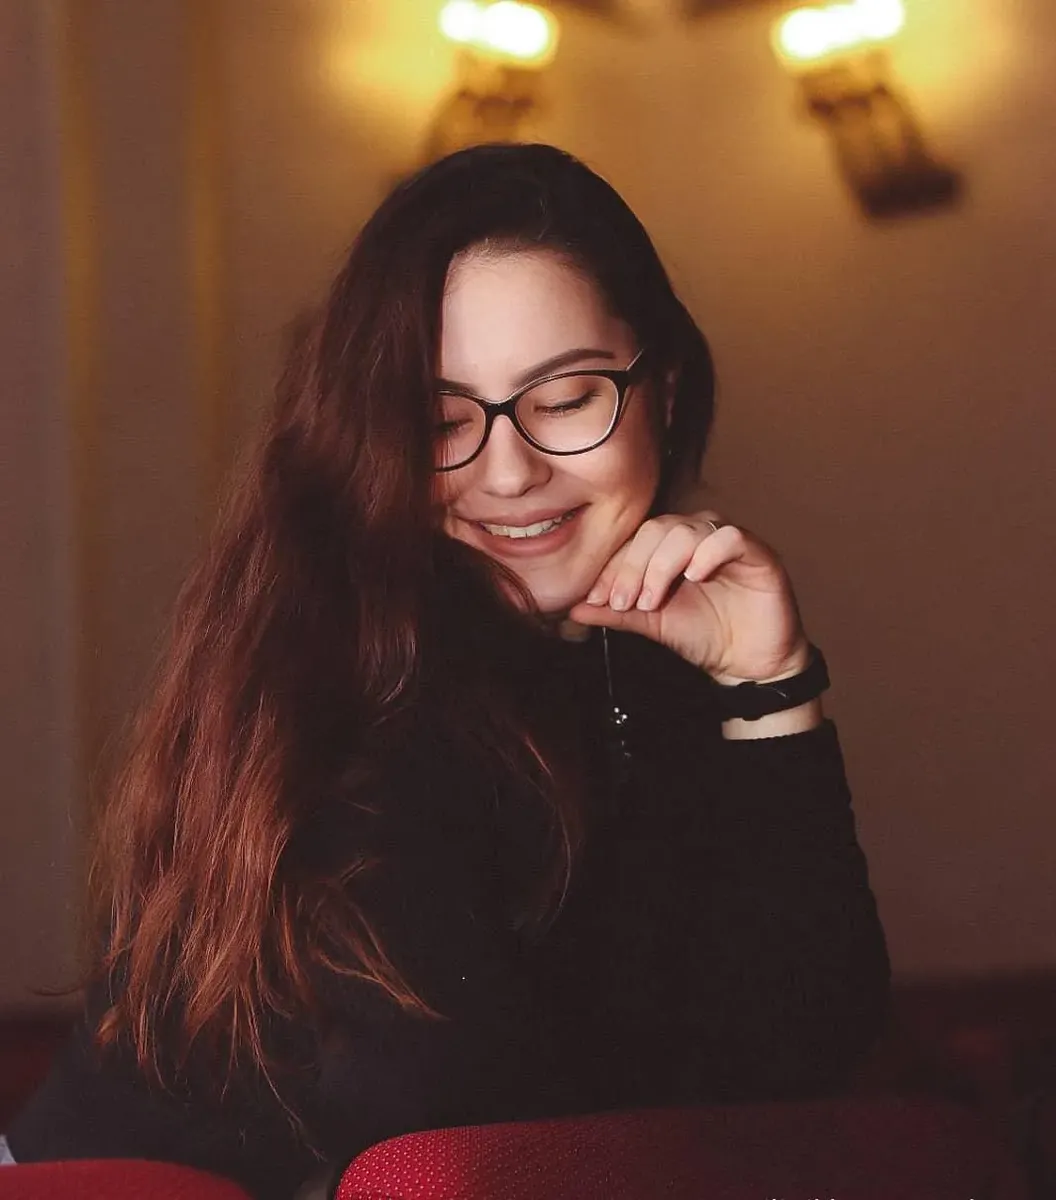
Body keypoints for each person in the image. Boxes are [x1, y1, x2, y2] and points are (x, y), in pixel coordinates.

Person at [4, 143, 889, 1199]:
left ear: (662, 389)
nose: (509, 473)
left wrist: (768, 684)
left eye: (566, 398)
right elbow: (457, 1119)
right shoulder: (341, 675)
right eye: (441, 420)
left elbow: (811, 1049)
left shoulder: (654, 658)